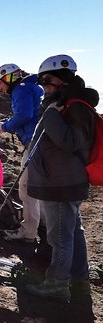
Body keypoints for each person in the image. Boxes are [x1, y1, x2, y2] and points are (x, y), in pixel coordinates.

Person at [24, 54, 98, 302]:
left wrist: (50, 116)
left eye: (47, 80)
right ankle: (79, 281)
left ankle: (57, 284)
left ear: (63, 80)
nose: (43, 86)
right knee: (72, 232)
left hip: (62, 183)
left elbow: (72, 142)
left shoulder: (73, 106)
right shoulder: (65, 104)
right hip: (61, 181)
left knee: (60, 237)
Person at [0, 63, 44, 243]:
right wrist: (7, 122)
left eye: (0, 83)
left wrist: (5, 126)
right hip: (44, 142)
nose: (0, 88)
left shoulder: (20, 90)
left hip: (34, 143)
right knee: (42, 186)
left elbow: (24, 115)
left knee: (26, 189)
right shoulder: (33, 87)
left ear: (9, 78)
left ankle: (28, 231)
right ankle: (43, 224)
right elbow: (30, 114)